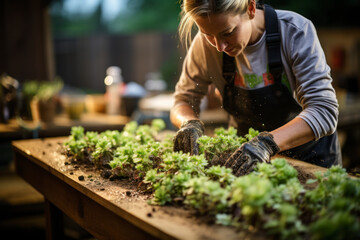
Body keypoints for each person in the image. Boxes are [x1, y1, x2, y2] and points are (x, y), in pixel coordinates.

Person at [170, 0, 342, 176]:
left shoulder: (295, 31)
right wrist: (188, 123)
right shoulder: (205, 44)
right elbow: (183, 100)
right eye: (207, 34)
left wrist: (267, 144)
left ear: (251, 8)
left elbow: (324, 111)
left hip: (310, 162)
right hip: (245, 164)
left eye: (228, 33)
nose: (219, 46)